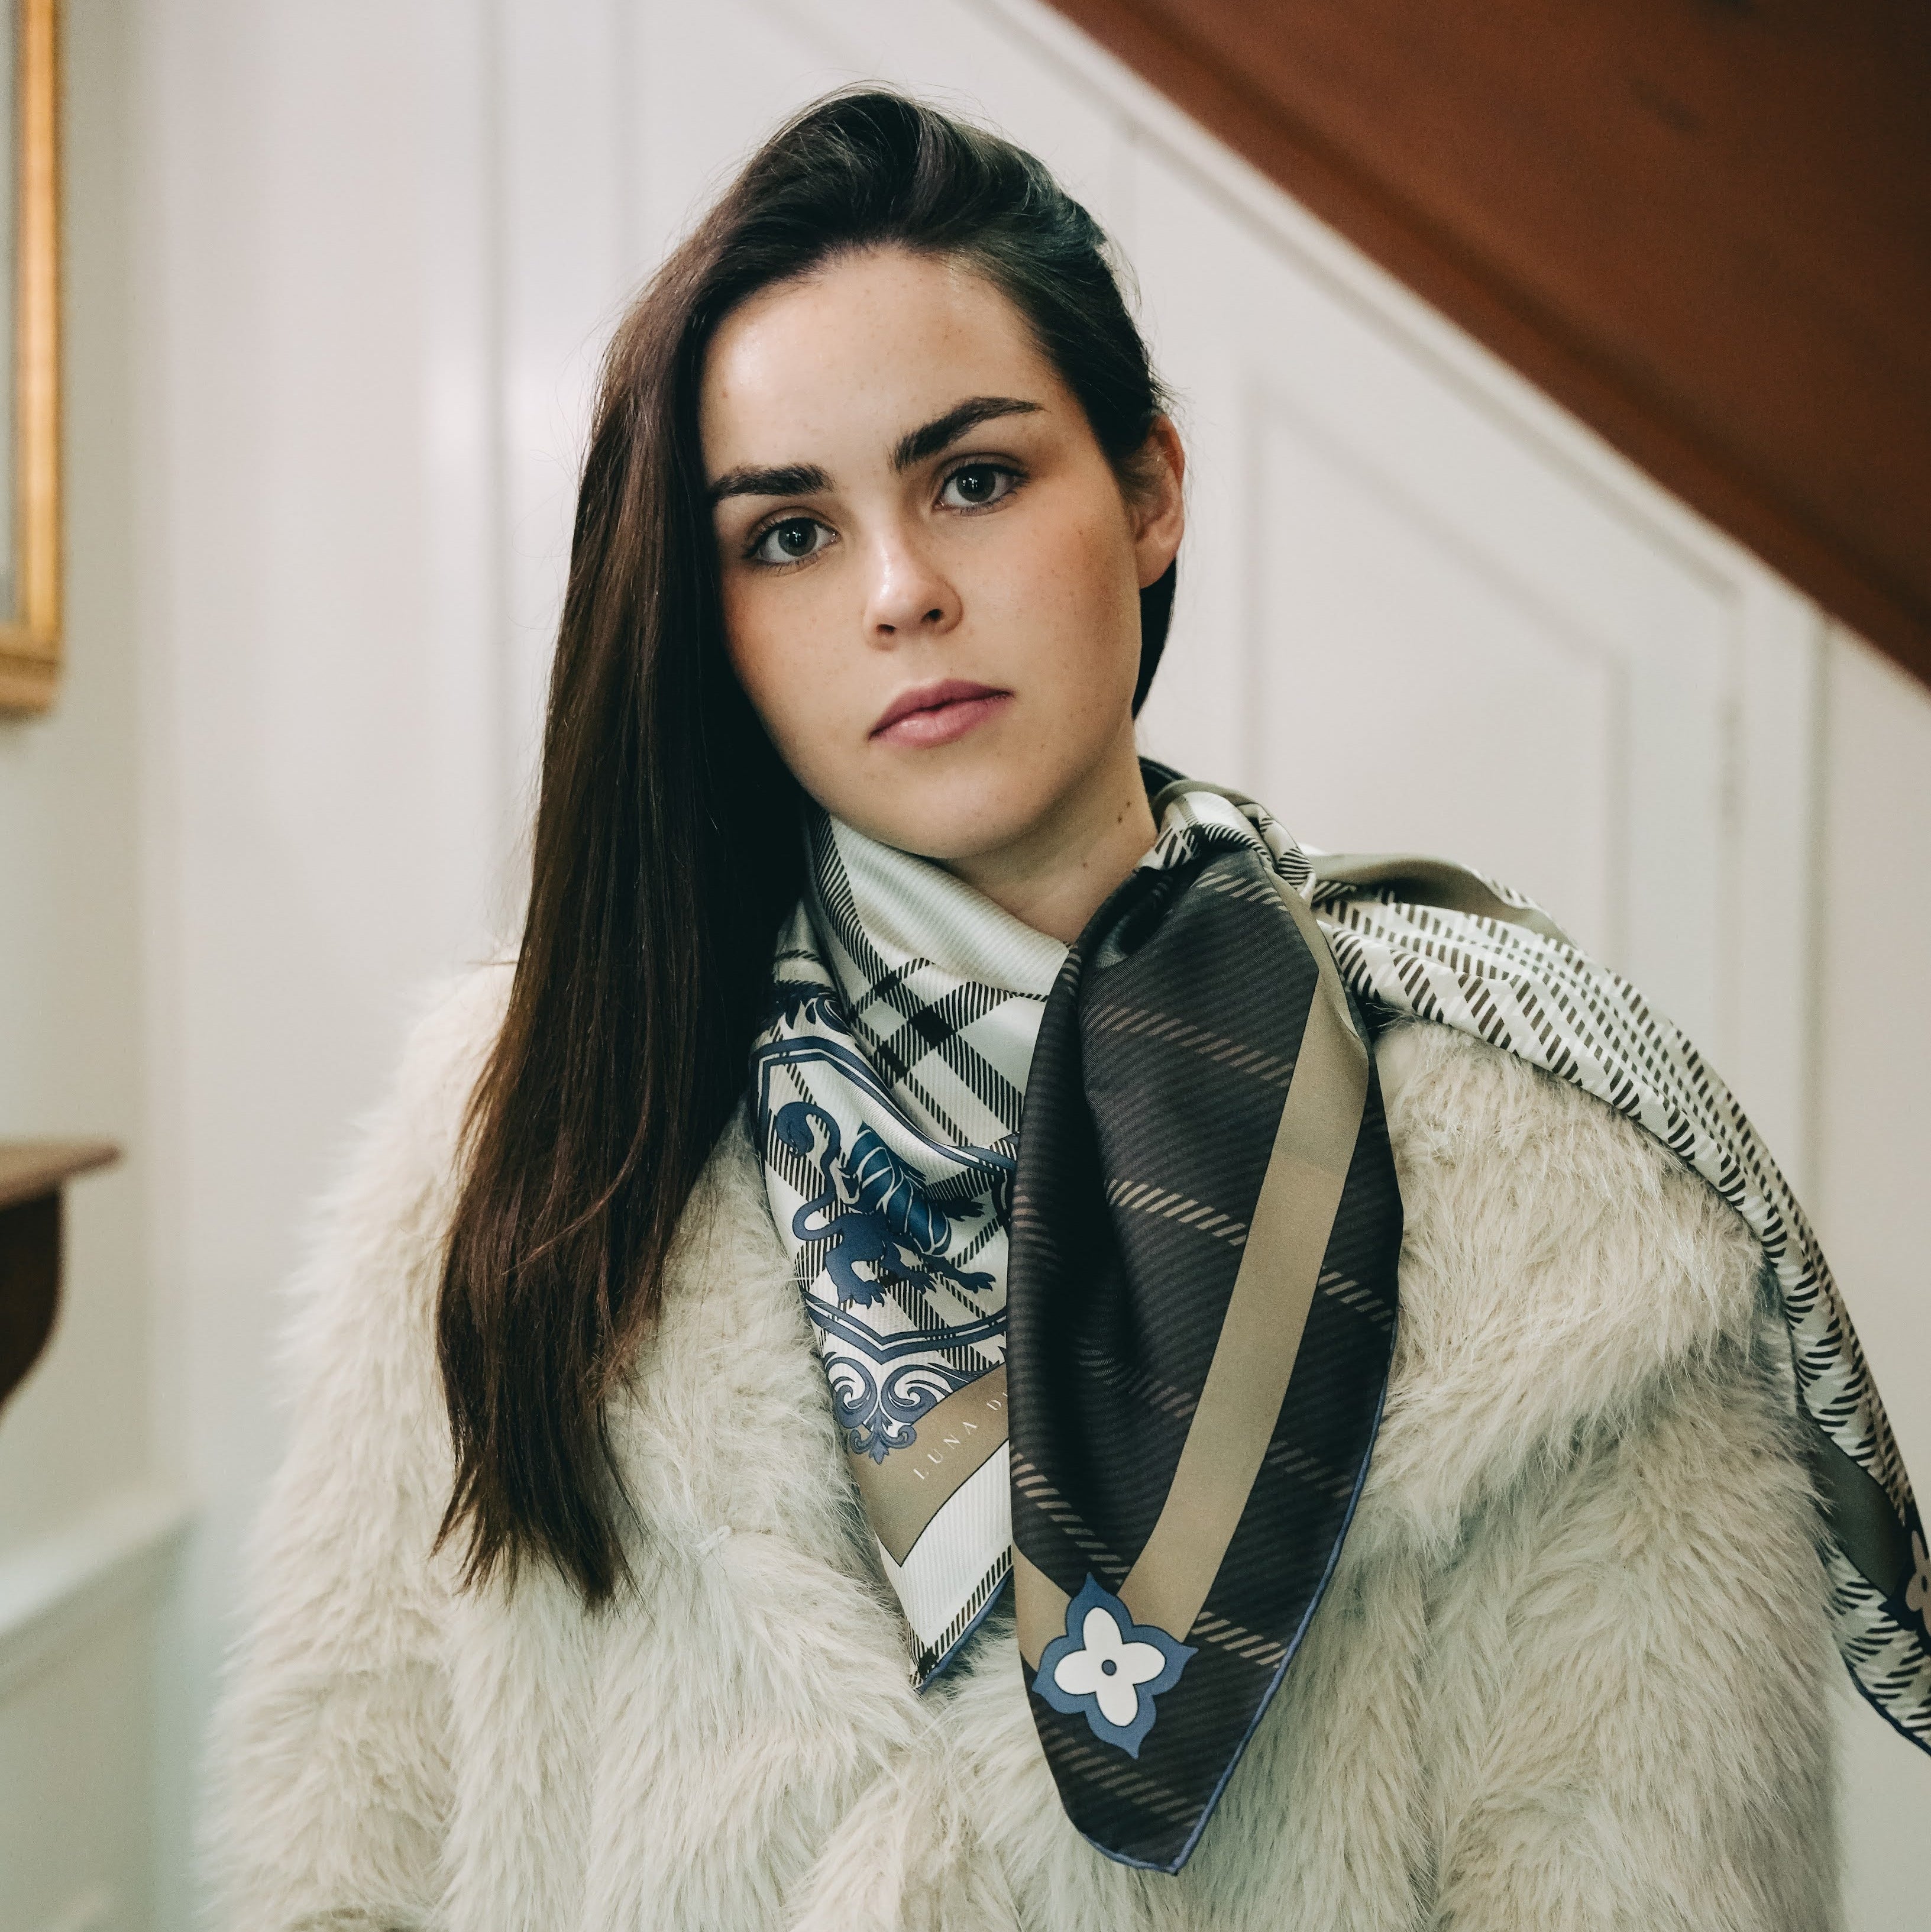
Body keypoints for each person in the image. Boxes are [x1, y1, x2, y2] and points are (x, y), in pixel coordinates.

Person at [206, 91, 1929, 1930]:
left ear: (1148, 490)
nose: (901, 591)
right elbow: (343, 1843)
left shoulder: (1545, 1179)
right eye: (788, 533)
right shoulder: (522, 1123)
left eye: (972, 479)